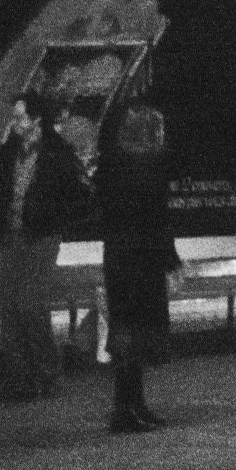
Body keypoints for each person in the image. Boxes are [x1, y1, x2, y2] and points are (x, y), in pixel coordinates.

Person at [0, 94, 95, 397]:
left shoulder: (58, 154)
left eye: (20, 118)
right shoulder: (6, 153)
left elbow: (84, 197)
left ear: (36, 120)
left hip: (41, 239)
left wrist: (52, 220)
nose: (14, 124)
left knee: (30, 302)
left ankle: (46, 373)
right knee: (10, 306)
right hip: (12, 237)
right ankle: (18, 379)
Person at [96, 103, 180, 432]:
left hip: (118, 257)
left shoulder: (111, 167)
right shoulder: (151, 166)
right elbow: (158, 219)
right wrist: (170, 259)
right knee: (139, 334)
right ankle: (130, 408)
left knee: (125, 332)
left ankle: (129, 405)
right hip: (143, 261)